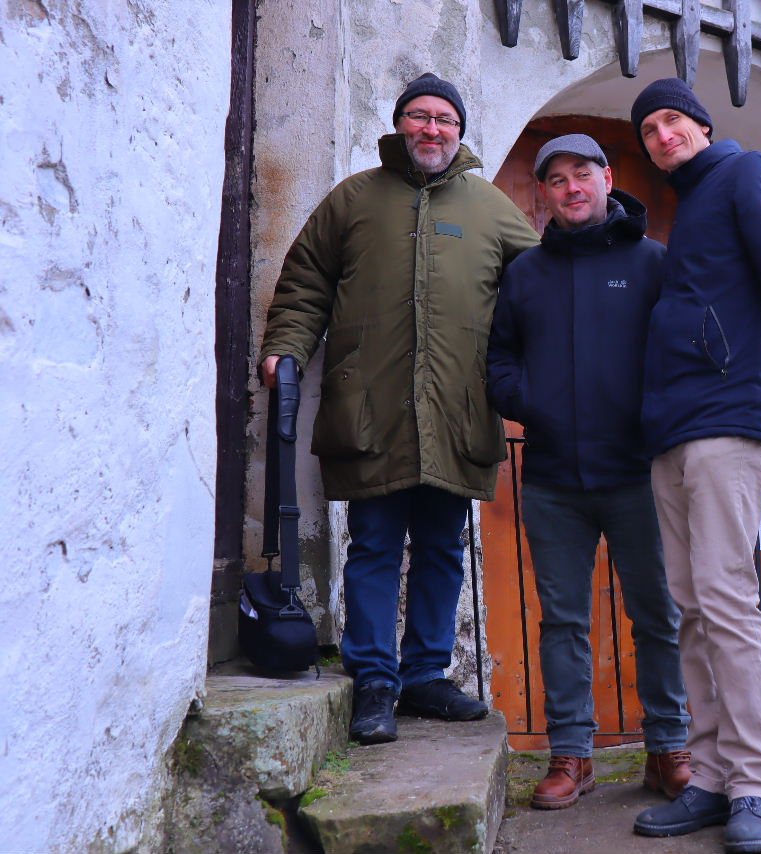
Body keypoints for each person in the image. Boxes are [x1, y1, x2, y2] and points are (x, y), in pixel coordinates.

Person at [259, 72, 539, 745]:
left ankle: (425, 678)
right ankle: (375, 681)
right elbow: (305, 283)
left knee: (442, 548)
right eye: (419, 116)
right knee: (375, 546)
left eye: (444, 118)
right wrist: (285, 348)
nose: (431, 129)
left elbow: (540, 294)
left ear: (460, 131)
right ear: (399, 124)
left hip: (457, 411)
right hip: (372, 407)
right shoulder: (354, 199)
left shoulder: (492, 208)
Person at [627, 79, 761, 854]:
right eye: (649, 129)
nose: (662, 135)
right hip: (673, 428)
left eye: (672, 120)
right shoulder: (690, 207)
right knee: (689, 606)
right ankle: (712, 777)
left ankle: (754, 782)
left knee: (724, 597)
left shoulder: (747, 173)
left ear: (704, 125)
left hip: (727, 416)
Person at [487, 134, 692, 809]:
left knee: (658, 615)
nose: (571, 188)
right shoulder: (525, 273)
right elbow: (499, 358)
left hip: (640, 474)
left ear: (606, 179)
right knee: (563, 623)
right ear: (544, 194)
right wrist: (529, 402)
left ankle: (669, 748)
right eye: (556, 179)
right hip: (553, 479)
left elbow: (682, 351)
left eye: (582, 174)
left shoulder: (653, 262)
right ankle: (571, 756)